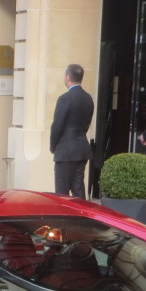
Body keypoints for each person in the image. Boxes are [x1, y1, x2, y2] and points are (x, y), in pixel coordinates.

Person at [49, 63, 95, 199]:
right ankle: (82, 218)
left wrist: (53, 146)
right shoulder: (88, 98)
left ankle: (63, 220)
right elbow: (86, 124)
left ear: (68, 77)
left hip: (65, 150)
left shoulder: (64, 98)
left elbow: (57, 126)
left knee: (61, 193)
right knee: (78, 189)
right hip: (81, 148)